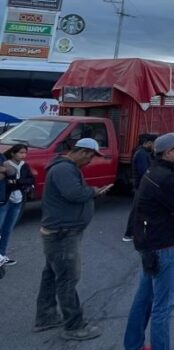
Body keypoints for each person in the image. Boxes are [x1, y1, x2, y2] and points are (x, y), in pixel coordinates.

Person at [120, 133, 174, 350]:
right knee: (164, 305)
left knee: (144, 297)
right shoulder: (166, 178)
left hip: (149, 243)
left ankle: (133, 349)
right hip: (164, 244)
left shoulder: (152, 173)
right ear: (166, 153)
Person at [35, 138, 112, 339]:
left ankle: (46, 316)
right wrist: (93, 191)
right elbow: (74, 194)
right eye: (91, 157)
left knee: (52, 275)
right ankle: (74, 326)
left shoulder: (65, 168)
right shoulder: (64, 169)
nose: (90, 162)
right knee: (67, 278)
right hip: (63, 233)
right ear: (84, 152)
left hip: (60, 231)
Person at [1, 144, 34, 266]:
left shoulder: (24, 165)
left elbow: (30, 180)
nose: (23, 155)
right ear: (13, 153)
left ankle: (2, 255)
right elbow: (8, 182)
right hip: (5, 201)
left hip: (18, 200)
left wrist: (18, 182)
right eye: (20, 152)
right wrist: (20, 182)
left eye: (25, 153)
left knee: (8, 230)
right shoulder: (7, 164)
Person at [123, 134, 155, 242]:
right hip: (141, 187)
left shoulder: (145, 153)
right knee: (137, 211)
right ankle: (129, 233)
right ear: (148, 143)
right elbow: (144, 172)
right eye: (153, 144)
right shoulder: (141, 154)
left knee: (143, 210)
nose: (154, 146)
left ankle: (141, 231)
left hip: (143, 186)